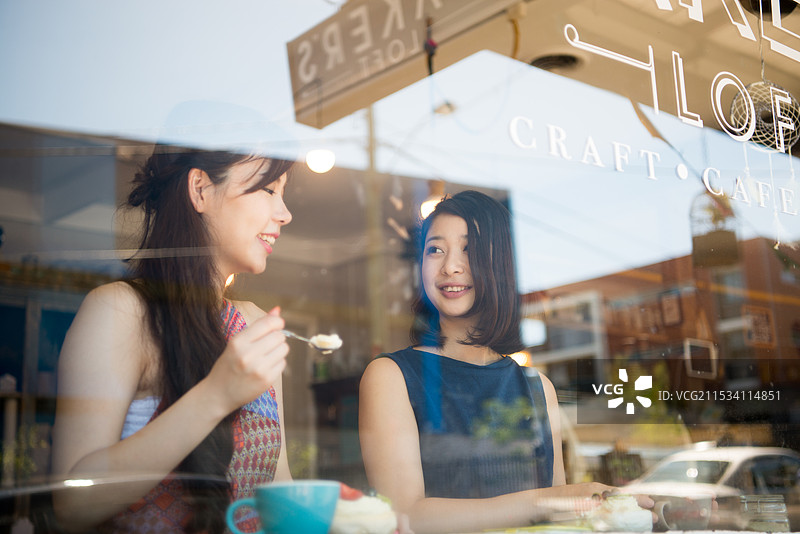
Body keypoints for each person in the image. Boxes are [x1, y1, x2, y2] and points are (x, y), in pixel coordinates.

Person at [51, 132, 295, 533]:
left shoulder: (253, 325)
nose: (285, 213)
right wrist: (216, 396)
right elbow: (72, 503)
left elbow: (276, 486)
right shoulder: (122, 310)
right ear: (200, 189)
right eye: (268, 189)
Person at [359, 191, 622, 533]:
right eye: (435, 249)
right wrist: (552, 501)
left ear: (500, 263)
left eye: (469, 249)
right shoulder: (390, 377)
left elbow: (557, 521)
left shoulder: (538, 388)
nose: (450, 266)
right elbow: (404, 517)